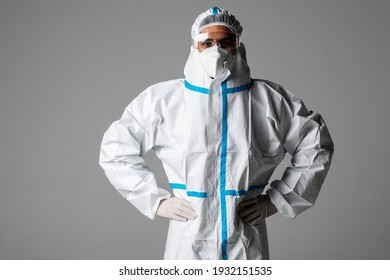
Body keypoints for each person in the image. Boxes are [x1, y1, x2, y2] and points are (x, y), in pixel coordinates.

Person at [99, 7, 334, 260]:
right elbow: (116, 150)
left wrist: (277, 200)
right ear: (195, 47)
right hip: (188, 238)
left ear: (237, 45)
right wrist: (156, 201)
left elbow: (316, 143)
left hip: (245, 239)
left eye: (225, 42)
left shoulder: (268, 100)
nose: (216, 50)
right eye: (207, 43)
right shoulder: (163, 101)